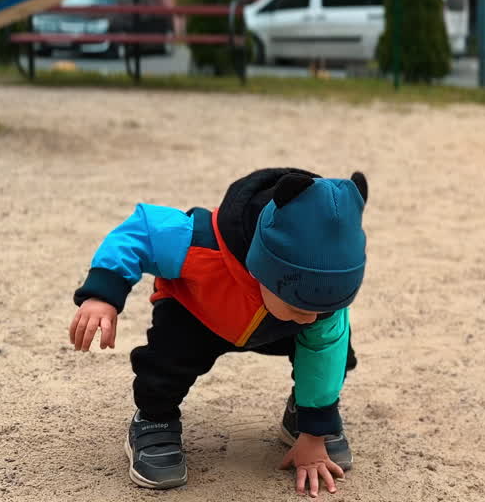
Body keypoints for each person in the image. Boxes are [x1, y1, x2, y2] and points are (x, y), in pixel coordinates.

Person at [68, 168, 368, 497]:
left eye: (324, 308)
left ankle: (303, 415)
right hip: (199, 313)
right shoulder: (198, 241)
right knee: (166, 362)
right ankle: (155, 420)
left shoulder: (317, 303)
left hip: (274, 325)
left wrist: (314, 435)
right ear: (263, 267)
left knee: (332, 348)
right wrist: (102, 294)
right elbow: (142, 232)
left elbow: (323, 354)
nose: (311, 318)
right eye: (301, 306)